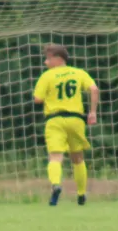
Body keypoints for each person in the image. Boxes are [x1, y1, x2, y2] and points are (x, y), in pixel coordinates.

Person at [33, 44, 99, 206]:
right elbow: (94, 88)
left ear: (57, 59)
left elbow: (38, 99)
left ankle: (56, 185)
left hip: (55, 120)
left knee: (55, 157)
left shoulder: (47, 76)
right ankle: (81, 194)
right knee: (77, 158)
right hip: (76, 120)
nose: (45, 62)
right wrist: (92, 112)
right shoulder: (79, 73)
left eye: (48, 59)